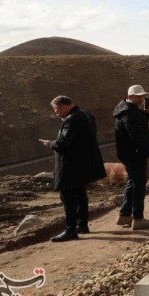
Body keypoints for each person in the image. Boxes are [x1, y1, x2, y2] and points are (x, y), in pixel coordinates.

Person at [39, 96, 106, 242]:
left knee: (68, 198)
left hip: (70, 167)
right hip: (81, 165)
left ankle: (71, 230)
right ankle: (82, 225)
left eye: (57, 109)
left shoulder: (72, 120)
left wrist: (49, 143)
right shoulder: (85, 115)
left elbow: (62, 144)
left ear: (64, 106)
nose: (56, 113)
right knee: (81, 195)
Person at [113, 85, 149, 230]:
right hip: (135, 154)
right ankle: (138, 218)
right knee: (139, 185)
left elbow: (138, 124)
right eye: (138, 96)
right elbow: (136, 136)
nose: (141, 99)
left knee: (133, 182)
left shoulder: (127, 110)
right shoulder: (130, 114)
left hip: (129, 154)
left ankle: (125, 215)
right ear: (130, 96)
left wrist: (146, 114)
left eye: (142, 96)